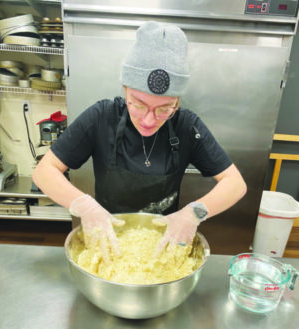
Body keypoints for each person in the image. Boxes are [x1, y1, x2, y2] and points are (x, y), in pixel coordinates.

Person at [33, 20, 247, 260]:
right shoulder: (101, 117)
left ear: (177, 102)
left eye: (165, 109)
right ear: (125, 89)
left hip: (161, 249)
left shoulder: (187, 126)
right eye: (138, 104)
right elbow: (44, 172)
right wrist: (84, 206)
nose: (148, 120)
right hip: (108, 242)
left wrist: (194, 213)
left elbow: (235, 184)